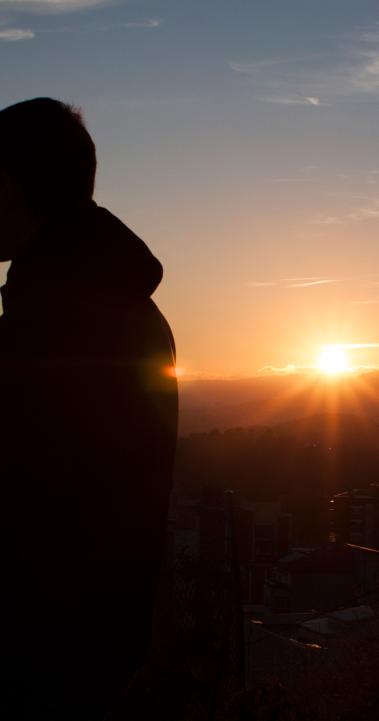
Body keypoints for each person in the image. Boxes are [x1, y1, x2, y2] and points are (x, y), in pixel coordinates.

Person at [0, 98, 178, 720]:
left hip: (39, 661)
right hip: (83, 657)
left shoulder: (56, 321)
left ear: (14, 188)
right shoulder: (106, 301)